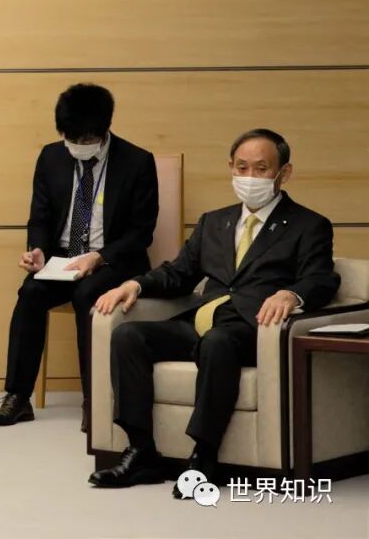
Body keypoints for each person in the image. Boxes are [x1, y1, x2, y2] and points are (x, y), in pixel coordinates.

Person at [89, 128, 339, 495]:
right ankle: (141, 451)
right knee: (129, 334)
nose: (249, 177)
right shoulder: (213, 221)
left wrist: (291, 294)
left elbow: (321, 278)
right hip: (203, 322)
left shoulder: (309, 225)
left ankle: (203, 456)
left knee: (218, 342)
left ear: (284, 173)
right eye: (242, 167)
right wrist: (136, 285)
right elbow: (179, 273)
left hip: (252, 328)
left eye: (261, 169)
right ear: (231, 168)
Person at [0, 84, 158, 432]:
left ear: (104, 130)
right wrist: (37, 249)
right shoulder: (50, 157)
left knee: (87, 294)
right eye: (70, 138)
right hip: (62, 260)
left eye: (85, 139)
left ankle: (94, 400)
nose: (77, 145)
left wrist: (99, 257)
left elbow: (141, 232)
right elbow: (40, 217)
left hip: (112, 260)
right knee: (31, 293)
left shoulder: (137, 162)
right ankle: (17, 397)